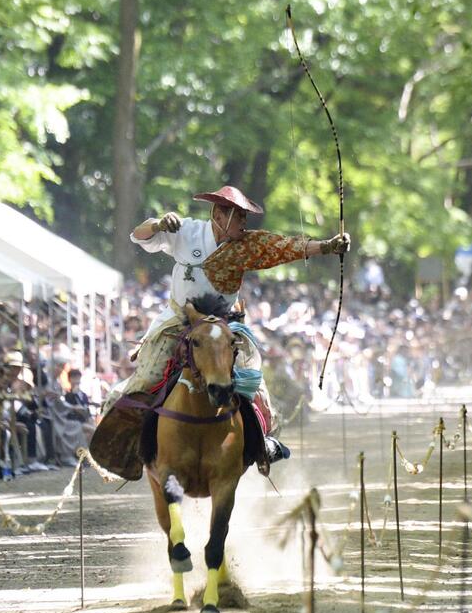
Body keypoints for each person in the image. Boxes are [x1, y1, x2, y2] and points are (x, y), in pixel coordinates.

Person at [96, 186, 350, 476]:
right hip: (179, 321)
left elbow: (287, 247)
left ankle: (261, 442)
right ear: (219, 215)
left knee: (254, 386)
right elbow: (139, 235)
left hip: (225, 326)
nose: (244, 223)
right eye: (239, 217)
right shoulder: (186, 231)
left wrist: (328, 246)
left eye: (244, 217)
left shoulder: (247, 244)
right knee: (146, 378)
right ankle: (127, 445)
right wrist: (158, 223)